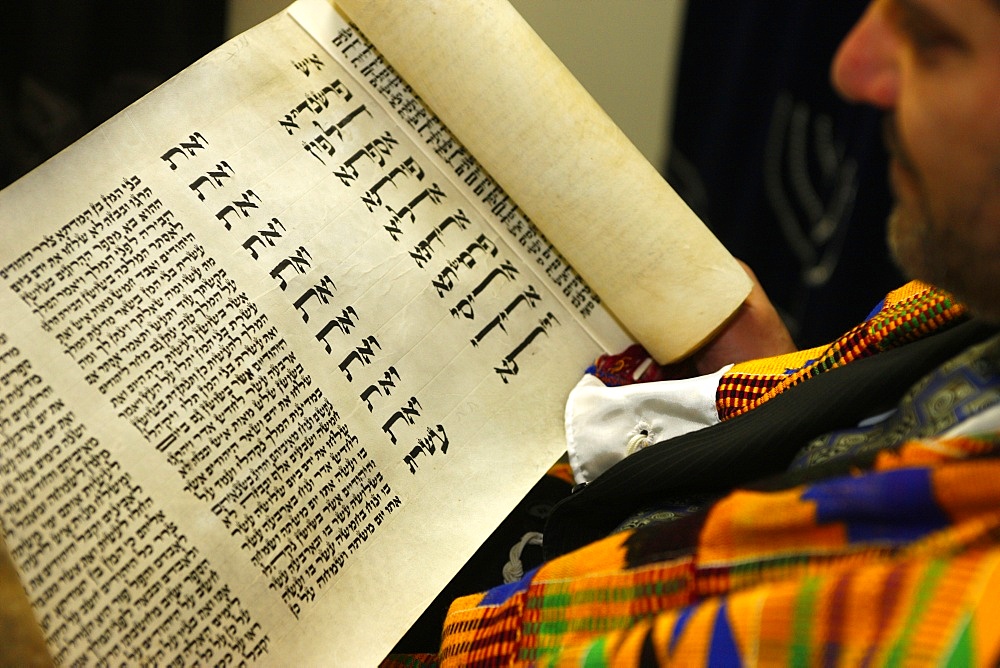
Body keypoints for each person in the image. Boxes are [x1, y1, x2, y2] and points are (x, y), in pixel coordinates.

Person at [384, 0, 1000, 664]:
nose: (852, 71)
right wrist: (766, 399)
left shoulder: (946, 615)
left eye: (933, 42)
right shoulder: (961, 302)